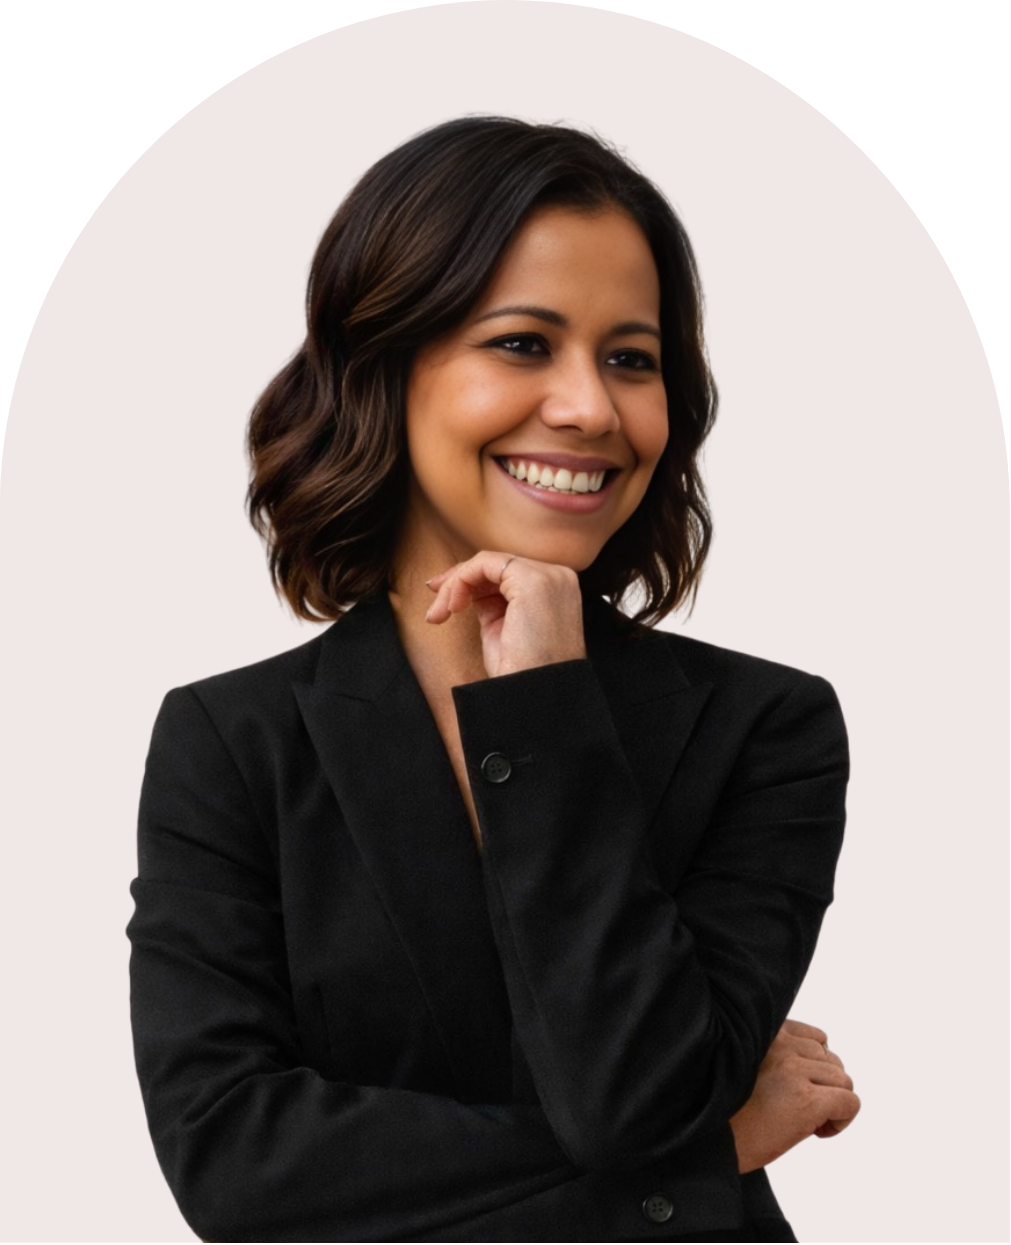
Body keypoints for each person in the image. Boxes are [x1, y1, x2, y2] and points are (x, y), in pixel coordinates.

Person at [127, 116, 860, 1244]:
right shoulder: (231, 742)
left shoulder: (767, 728)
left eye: (632, 357)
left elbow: (632, 1104)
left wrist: (541, 712)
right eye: (523, 343)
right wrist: (713, 1152)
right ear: (383, 366)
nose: (592, 409)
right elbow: (237, 1171)